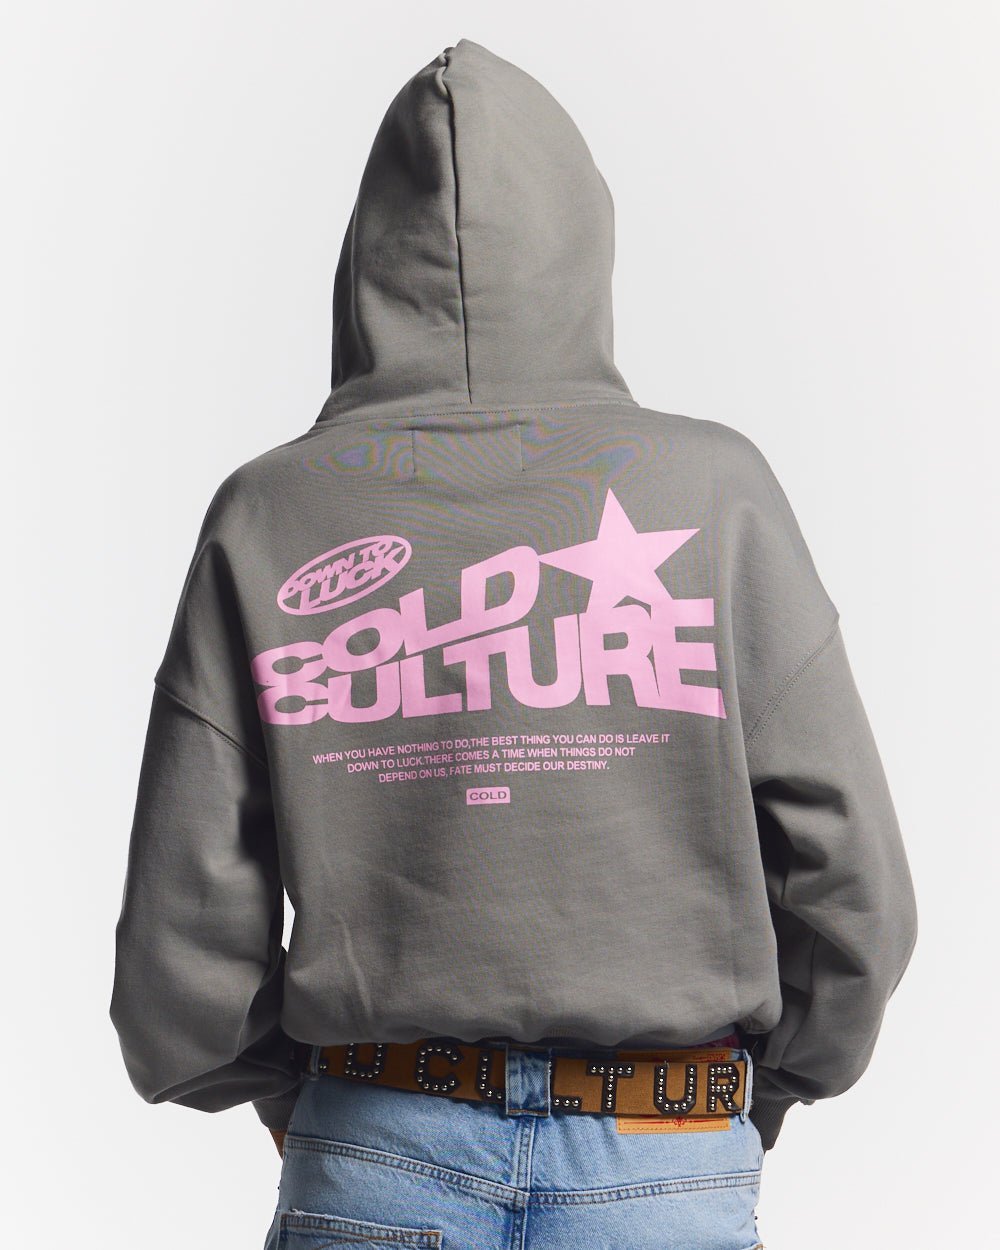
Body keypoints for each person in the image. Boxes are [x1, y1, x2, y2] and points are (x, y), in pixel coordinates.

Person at [110, 37, 918, 1249]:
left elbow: (182, 933)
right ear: (584, 245)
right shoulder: (716, 492)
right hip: (664, 1150)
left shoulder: (268, 513)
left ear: (364, 258)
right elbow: (852, 883)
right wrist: (746, 1095)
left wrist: (316, 1104)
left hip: (375, 1148)